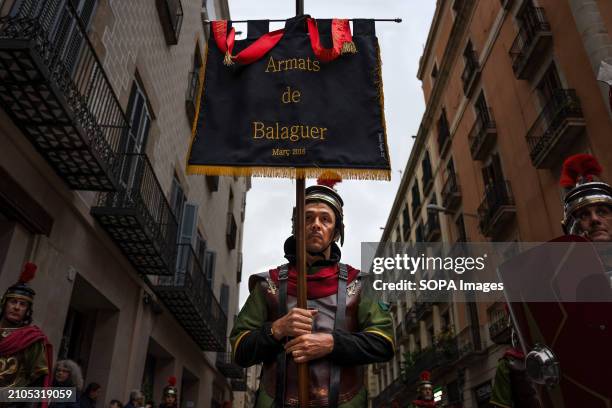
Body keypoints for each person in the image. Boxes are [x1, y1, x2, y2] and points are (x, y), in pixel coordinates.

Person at [230, 178, 394, 407]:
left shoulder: (361, 284)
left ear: (336, 232)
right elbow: (239, 350)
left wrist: (332, 343)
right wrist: (276, 330)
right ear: (296, 228)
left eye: (325, 219)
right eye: (307, 218)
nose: (316, 224)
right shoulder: (268, 285)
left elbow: (384, 343)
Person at [0, 262, 53, 404]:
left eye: (22, 304)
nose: (16, 307)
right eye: (13, 302)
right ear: (5, 303)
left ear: (27, 310)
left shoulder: (32, 339)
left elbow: (36, 385)